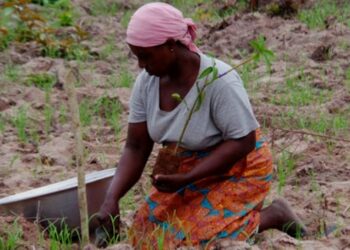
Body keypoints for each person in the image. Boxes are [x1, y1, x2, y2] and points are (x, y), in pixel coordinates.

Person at [97, 2, 307, 248]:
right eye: (137, 57)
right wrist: (112, 198)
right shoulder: (146, 84)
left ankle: (275, 215)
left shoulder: (218, 80)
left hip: (240, 166)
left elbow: (244, 141)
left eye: (146, 56)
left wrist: (189, 177)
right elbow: (136, 146)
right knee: (146, 237)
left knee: (199, 238)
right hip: (187, 168)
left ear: (171, 46)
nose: (141, 66)